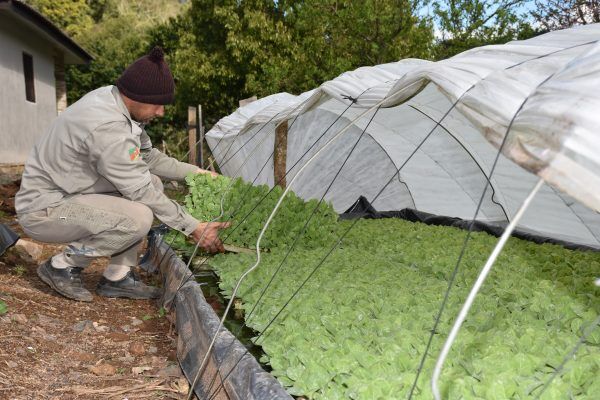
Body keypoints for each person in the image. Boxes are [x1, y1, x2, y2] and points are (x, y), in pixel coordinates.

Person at [15, 47, 229, 302]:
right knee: (138, 217)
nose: (161, 112)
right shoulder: (108, 127)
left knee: (153, 183)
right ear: (136, 96)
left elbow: (149, 158)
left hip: (70, 193)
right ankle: (62, 265)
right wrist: (193, 227)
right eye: (158, 104)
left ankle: (117, 276)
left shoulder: (117, 103)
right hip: (45, 208)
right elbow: (139, 191)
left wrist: (199, 174)